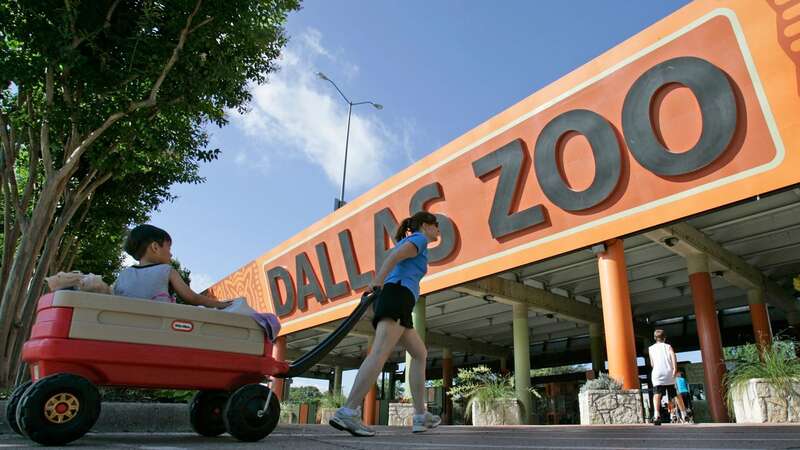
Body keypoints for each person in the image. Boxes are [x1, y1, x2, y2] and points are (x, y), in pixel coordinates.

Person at [330, 211, 442, 437]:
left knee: (419, 353)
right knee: (379, 353)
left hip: (399, 299)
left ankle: (420, 415)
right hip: (398, 296)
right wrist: (377, 282)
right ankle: (348, 411)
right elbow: (394, 257)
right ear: (424, 225)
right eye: (436, 224)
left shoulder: (414, 241)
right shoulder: (418, 239)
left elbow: (396, 260)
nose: (439, 229)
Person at [114, 224, 230, 309]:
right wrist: (222, 305)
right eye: (168, 248)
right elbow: (192, 298)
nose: (171, 254)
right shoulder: (166, 270)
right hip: (160, 326)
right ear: (155, 247)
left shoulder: (123, 275)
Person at [648, 329, 688, 425]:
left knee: (657, 394)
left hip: (657, 373)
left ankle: (656, 415)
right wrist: (674, 368)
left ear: (655, 338)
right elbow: (673, 357)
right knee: (676, 394)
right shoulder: (668, 346)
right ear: (664, 338)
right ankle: (684, 415)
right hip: (669, 373)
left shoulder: (650, 348)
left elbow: (652, 363)